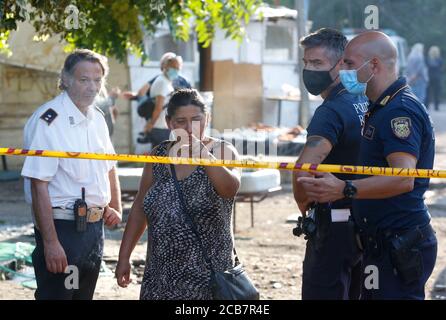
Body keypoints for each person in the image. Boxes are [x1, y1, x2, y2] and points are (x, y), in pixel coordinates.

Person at [298, 31, 437, 300]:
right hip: (380, 241)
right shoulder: (380, 106)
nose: (343, 70)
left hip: (399, 241)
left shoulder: (399, 111)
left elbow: (403, 178)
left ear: (373, 65)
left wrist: (344, 189)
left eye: (349, 63)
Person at [115, 89, 241, 300]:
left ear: (207, 119)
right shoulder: (159, 156)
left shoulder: (222, 151)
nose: (189, 128)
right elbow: (139, 208)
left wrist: (202, 154)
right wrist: (123, 257)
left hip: (209, 277)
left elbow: (229, 189)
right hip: (160, 276)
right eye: (181, 121)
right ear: (169, 123)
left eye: (196, 120)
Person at [21, 49, 122, 300]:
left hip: (93, 230)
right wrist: (51, 243)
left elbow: (110, 166)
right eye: (83, 79)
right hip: (62, 228)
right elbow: (38, 184)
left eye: (97, 80)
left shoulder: (97, 118)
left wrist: (115, 206)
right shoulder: (49, 121)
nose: (92, 87)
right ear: (65, 79)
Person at [293, 28, 367, 300]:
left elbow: (303, 170)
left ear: (340, 65)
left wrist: (305, 205)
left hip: (334, 223)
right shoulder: (362, 98)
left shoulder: (330, 112)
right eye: (305, 63)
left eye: (317, 63)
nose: (309, 70)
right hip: (365, 220)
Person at [121, 53, 191, 145]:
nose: (176, 71)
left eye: (178, 68)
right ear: (165, 66)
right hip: (160, 128)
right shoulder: (162, 82)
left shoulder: (167, 81)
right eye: (173, 67)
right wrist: (150, 125)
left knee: (162, 157)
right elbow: (158, 108)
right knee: (162, 157)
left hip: (165, 127)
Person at [426, 46, 443, 111]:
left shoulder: (427, 59)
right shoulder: (440, 59)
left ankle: (426, 105)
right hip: (437, 77)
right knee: (437, 92)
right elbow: (441, 69)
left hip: (429, 76)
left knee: (428, 92)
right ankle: (436, 106)